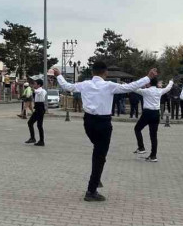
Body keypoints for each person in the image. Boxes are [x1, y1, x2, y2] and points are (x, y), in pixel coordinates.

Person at [54, 62, 155, 202]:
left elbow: (67, 87)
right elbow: (129, 87)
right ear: (105, 72)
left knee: (98, 152)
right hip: (103, 123)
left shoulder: (85, 84)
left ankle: (96, 178)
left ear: (92, 72)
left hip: (88, 122)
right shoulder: (109, 86)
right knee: (100, 156)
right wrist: (147, 78)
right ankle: (91, 190)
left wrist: (59, 75)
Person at [133, 78, 174, 161]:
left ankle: (141, 147)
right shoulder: (159, 91)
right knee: (153, 135)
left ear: (149, 84)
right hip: (156, 114)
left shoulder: (145, 91)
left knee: (137, 129)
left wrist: (142, 84)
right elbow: (168, 88)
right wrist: (171, 82)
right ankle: (153, 155)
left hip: (147, 113)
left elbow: (134, 88)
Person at [24, 79, 47, 146]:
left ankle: (35, 139)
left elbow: (37, 91)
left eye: (35, 84)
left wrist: (30, 88)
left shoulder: (41, 90)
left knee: (31, 123)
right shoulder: (40, 90)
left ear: (39, 85)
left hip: (40, 108)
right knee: (38, 125)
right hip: (38, 107)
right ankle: (40, 140)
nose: (34, 85)